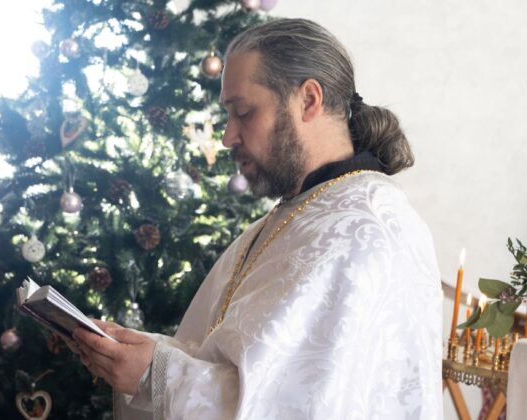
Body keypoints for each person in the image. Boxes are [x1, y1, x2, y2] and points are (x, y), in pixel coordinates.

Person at [73, 18, 442, 419]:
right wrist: (142, 354)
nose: (227, 137)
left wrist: (155, 377)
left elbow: (299, 408)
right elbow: (234, 364)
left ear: (309, 100)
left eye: (244, 112)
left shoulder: (363, 233)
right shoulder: (302, 212)